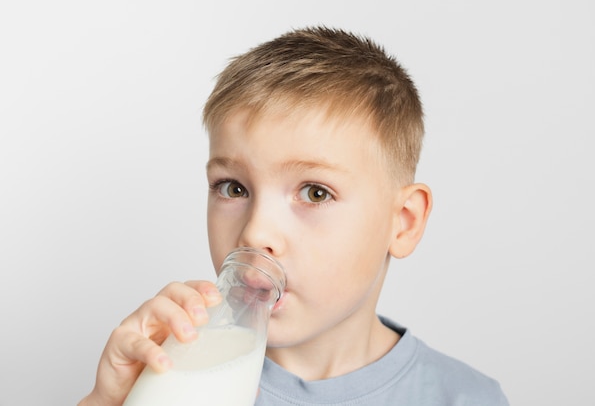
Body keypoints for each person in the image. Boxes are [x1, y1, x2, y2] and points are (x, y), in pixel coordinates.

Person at [79, 26, 509, 405]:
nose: (256, 231)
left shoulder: (465, 398)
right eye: (233, 188)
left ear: (404, 222)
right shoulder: (176, 372)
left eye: (315, 192)